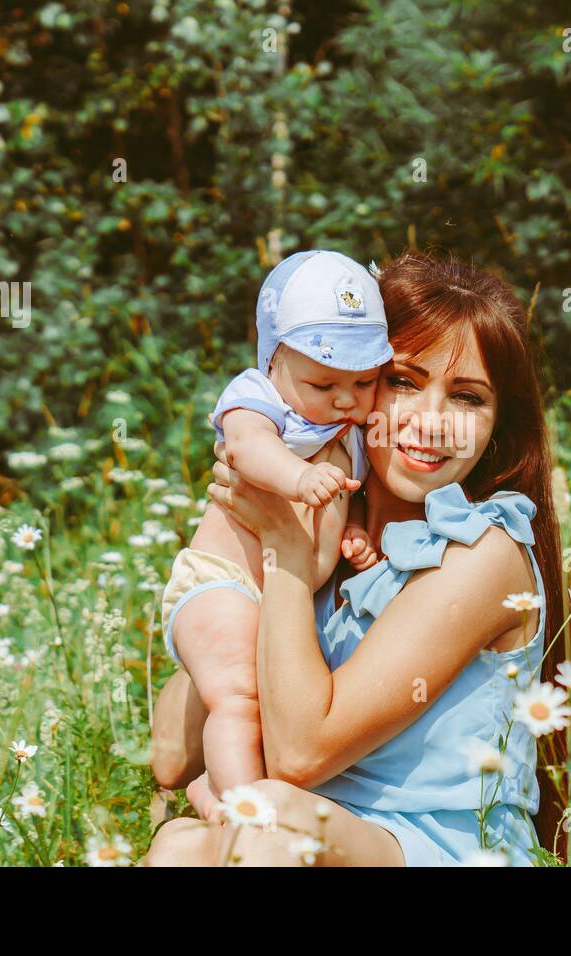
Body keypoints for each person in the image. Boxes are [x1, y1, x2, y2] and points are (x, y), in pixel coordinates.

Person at [145, 250, 566, 865]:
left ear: (498, 423)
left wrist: (285, 556)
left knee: (269, 830)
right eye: (402, 381)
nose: (431, 423)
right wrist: (242, 566)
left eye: (467, 398)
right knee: (180, 844)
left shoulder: (483, 554)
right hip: (305, 835)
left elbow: (298, 756)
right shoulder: (327, 543)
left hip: (443, 848)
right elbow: (171, 756)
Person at [158, 250, 391, 814]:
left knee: (270, 705)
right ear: (273, 361)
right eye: (324, 381)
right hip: (221, 583)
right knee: (239, 697)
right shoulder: (259, 399)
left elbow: (348, 495)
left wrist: (354, 531)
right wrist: (299, 475)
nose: (345, 398)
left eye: (364, 381)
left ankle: (213, 786)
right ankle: (241, 813)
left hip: (282, 593)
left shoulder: (350, 429)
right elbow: (247, 448)